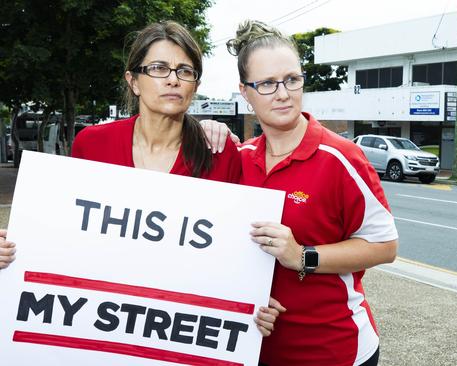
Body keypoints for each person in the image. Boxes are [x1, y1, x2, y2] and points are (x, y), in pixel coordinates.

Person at [1, 20, 283, 337]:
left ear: (195, 85)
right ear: (134, 81)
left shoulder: (220, 154)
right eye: (159, 68)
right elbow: (66, 235)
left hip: (179, 334)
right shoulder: (92, 144)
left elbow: (236, 254)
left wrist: (252, 302)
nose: (173, 80)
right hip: (102, 326)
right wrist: (14, 248)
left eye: (185, 71)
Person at [228, 20, 399, 366]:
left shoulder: (340, 157)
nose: (283, 93)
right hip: (256, 349)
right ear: (245, 93)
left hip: (333, 350)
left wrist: (302, 256)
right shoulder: (238, 160)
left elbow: (385, 246)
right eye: (267, 84)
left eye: (291, 79)